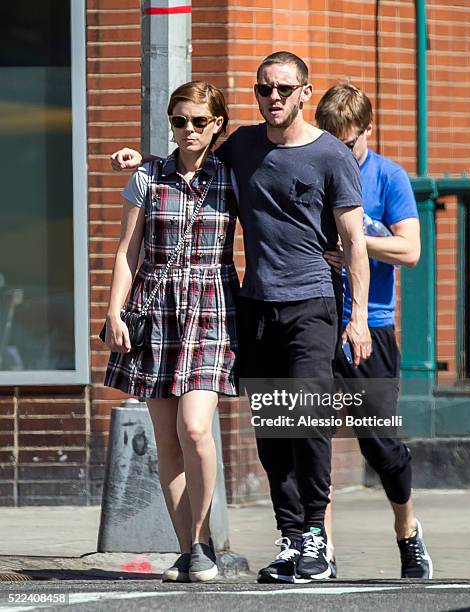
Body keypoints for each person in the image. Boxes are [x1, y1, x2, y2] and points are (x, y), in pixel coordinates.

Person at [111, 51, 372, 584]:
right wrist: (138, 161)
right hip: (250, 306)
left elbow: (352, 241)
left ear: (305, 92)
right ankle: (286, 539)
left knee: (304, 420)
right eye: (263, 89)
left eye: (283, 89)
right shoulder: (242, 150)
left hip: (300, 304)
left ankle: (316, 536)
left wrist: (359, 315)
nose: (272, 98)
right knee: (272, 428)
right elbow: (177, 167)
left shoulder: (322, 157)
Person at [103, 81, 240, 583]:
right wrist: (116, 311)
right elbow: (126, 251)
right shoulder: (148, 176)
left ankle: (201, 538)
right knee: (168, 441)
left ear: (217, 124)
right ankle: (190, 550)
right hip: (155, 309)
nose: (188, 130)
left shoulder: (233, 176)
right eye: (179, 120)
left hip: (211, 309)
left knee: (196, 428)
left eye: (199, 121)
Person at [317, 83, 433, 579]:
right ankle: (319, 548)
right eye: (330, 141)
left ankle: (408, 533)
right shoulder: (312, 165)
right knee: (307, 438)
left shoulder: (388, 177)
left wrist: (357, 240)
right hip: (315, 322)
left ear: (366, 130)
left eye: (347, 143)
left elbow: (410, 251)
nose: (338, 152)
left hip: (373, 328)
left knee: (381, 445)